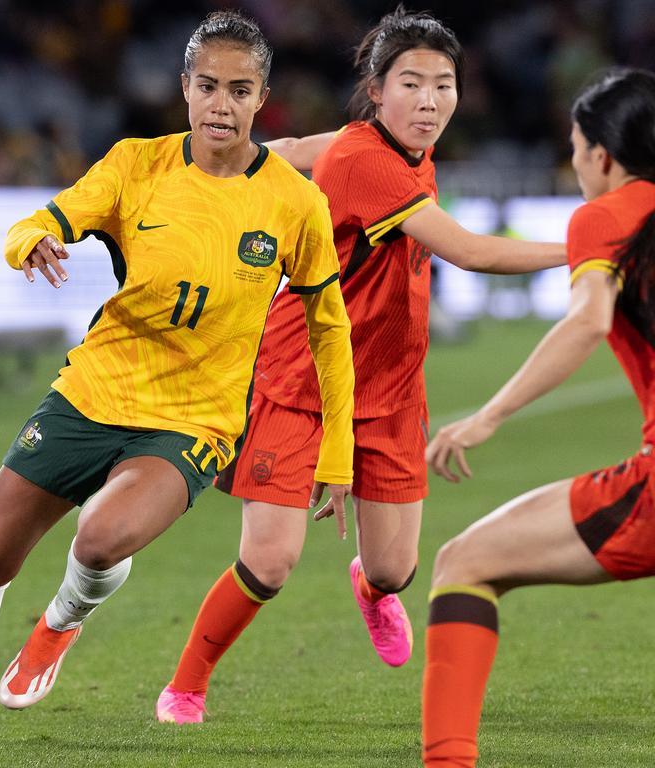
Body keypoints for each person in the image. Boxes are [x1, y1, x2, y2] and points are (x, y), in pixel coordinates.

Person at [0, 10, 356, 742]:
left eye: (240, 90)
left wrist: (340, 452)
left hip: (195, 419)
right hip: (93, 391)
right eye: (208, 86)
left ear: (262, 98)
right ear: (185, 87)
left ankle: (60, 621)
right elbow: (42, 220)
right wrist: (29, 240)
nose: (222, 105)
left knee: (99, 538)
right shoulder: (137, 165)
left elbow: (330, 328)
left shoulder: (294, 201)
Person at [156, 6, 567, 725]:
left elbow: (289, 147)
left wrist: (240, 170)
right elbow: (471, 251)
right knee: (271, 561)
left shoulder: (381, 145)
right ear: (377, 89)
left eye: (444, 84)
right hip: (301, 379)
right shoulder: (370, 162)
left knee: (394, 568)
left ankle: (372, 592)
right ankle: (186, 685)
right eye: (411, 83)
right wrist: (586, 247)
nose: (430, 100)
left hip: (391, 386)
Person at [421, 67, 655, 768]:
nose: (576, 164)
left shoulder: (607, 215)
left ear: (603, 157)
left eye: (578, 150)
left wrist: (487, 416)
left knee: (464, 562)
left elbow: (587, 322)